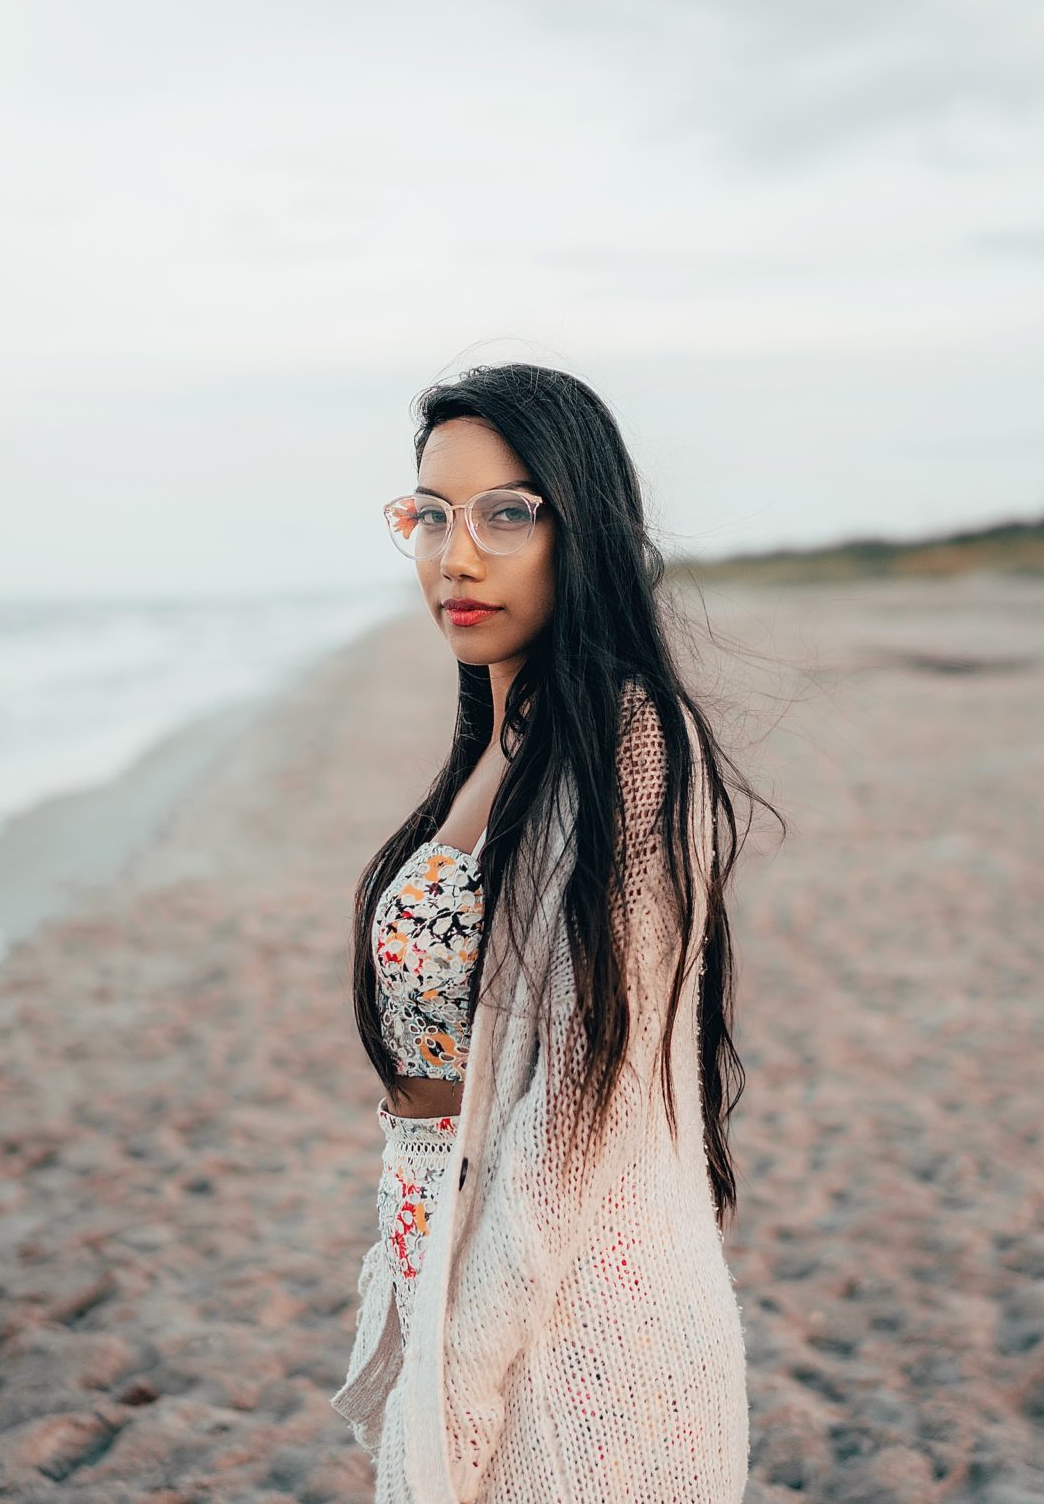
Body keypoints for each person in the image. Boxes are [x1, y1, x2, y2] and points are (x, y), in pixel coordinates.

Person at [331, 362, 776, 1503]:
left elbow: (578, 1111)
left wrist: (466, 1381)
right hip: (462, 1265)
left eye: (506, 512)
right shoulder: (505, 736)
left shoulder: (626, 742)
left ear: (582, 527)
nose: (455, 553)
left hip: (580, 1334)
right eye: (429, 515)